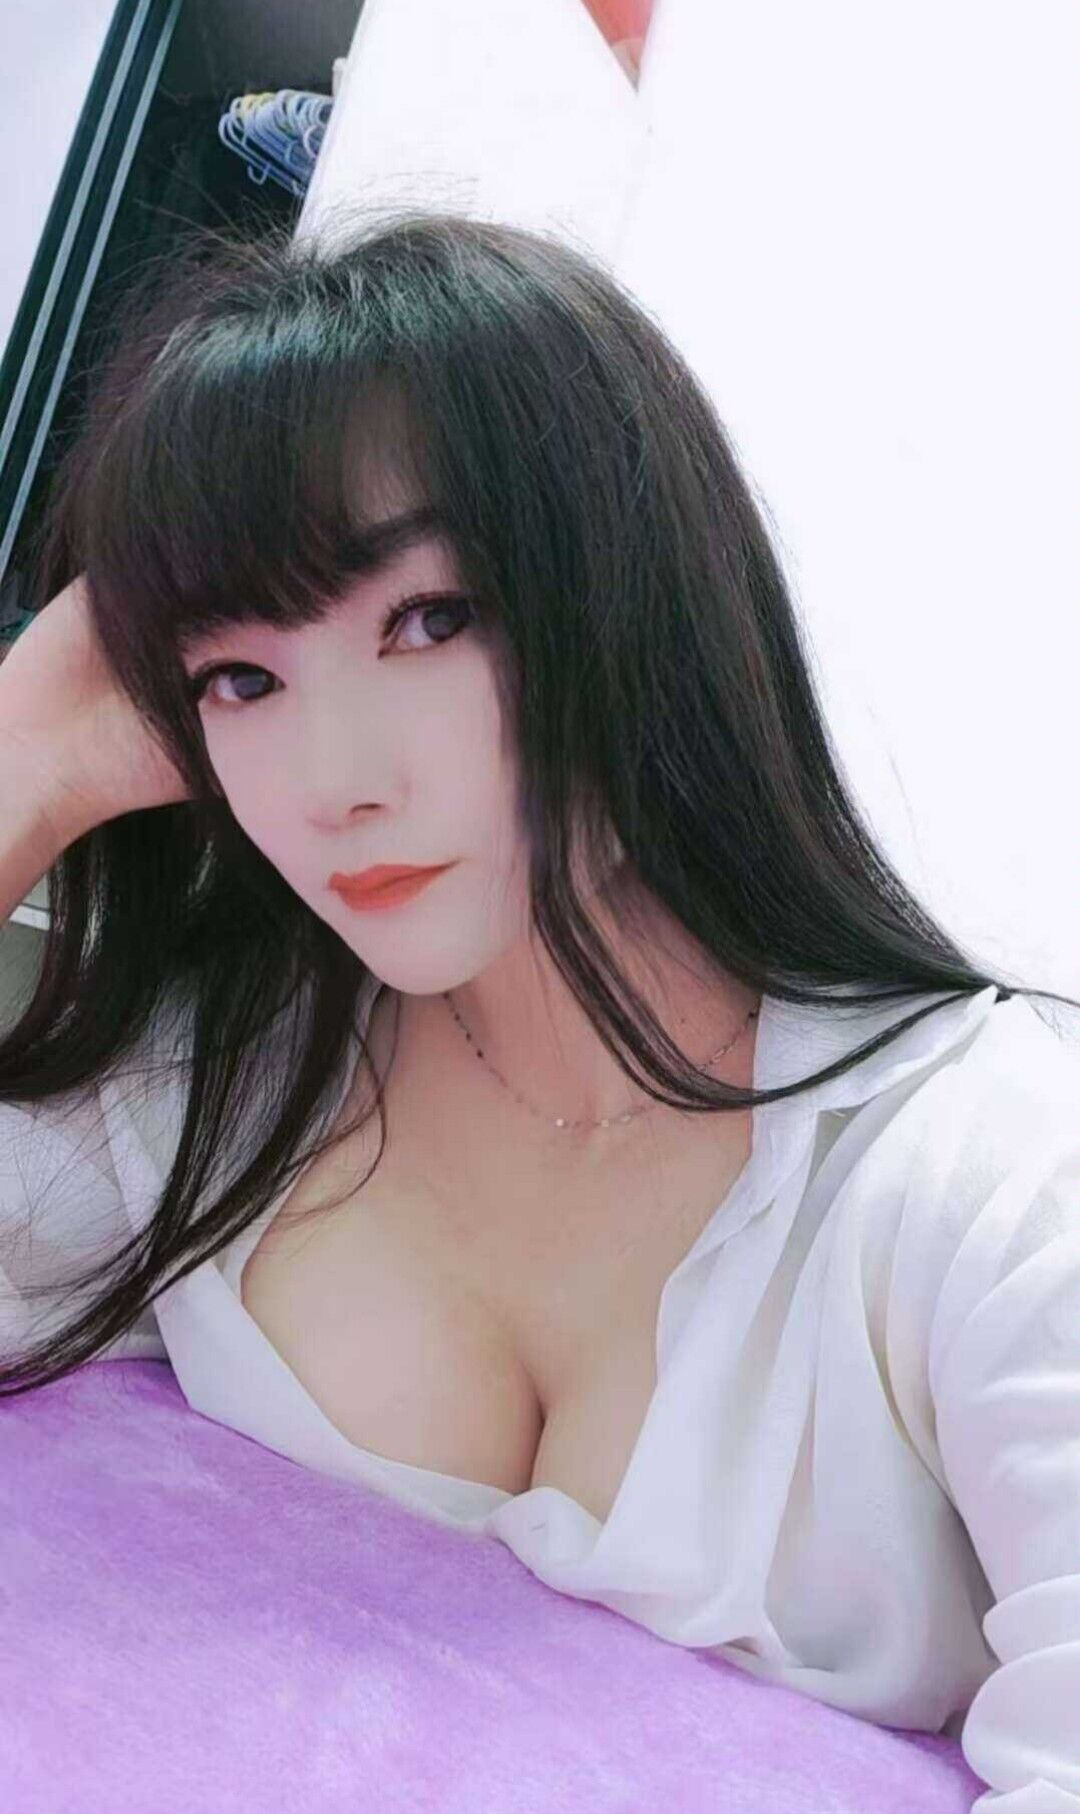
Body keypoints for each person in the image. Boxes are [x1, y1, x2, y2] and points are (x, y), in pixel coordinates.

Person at [0, 209, 1077, 1810]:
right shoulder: (223, 1076)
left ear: (638, 592)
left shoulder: (983, 1177)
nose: (335, 780)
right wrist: (26, 756)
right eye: (242, 677)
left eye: (428, 619)